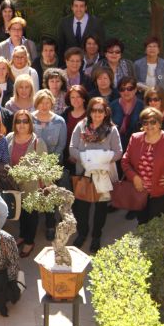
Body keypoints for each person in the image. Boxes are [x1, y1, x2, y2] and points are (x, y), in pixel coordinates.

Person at [69, 98, 122, 253]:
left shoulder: (111, 130)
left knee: (100, 209)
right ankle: (82, 233)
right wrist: (87, 160)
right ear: (89, 111)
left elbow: (118, 152)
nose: (97, 114)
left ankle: (96, 235)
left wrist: (99, 161)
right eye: (94, 110)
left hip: (103, 175)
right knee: (82, 208)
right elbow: (72, 148)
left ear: (106, 112)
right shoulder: (81, 127)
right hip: (84, 173)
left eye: (101, 110)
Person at [5, 110, 47, 257]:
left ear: (30, 123)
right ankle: (22, 235)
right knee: (20, 212)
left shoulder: (37, 142)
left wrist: (47, 186)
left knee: (31, 215)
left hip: (31, 186)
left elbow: (44, 166)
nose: (21, 124)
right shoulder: (10, 137)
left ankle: (29, 242)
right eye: (18, 121)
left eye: (25, 121)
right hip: (14, 184)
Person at [32, 89, 67, 240]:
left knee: (49, 195)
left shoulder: (59, 121)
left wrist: (49, 165)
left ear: (52, 103)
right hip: (32, 163)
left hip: (52, 164)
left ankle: (50, 225)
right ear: (36, 103)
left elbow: (61, 145)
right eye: (41, 103)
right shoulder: (30, 119)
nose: (44, 106)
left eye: (47, 103)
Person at [134, 36, 164, 110]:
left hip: (160, 101)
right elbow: (134, 83)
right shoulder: (137, 64)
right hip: (142, 101)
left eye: (155, 46)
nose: (152, 49)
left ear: (159, 50)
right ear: (145, 50)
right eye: (149, 46)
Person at [111, 76, 144, 151]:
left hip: (137, 147)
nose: (126, 92)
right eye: (122, 89)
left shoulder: (142, 106)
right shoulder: (112, 106)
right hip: (116, 146)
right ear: (119, 91)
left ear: (135, 89)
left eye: (129, 88)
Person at [61, 85, 90, 173]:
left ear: (84, 98)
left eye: (78, 97)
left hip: (86, 158)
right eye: (72, 97)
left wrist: (78, 156)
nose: (75, 100)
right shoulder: (64, 115)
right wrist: (69, 155)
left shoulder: (90, 116)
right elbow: (62, 138)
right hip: (67, 158)